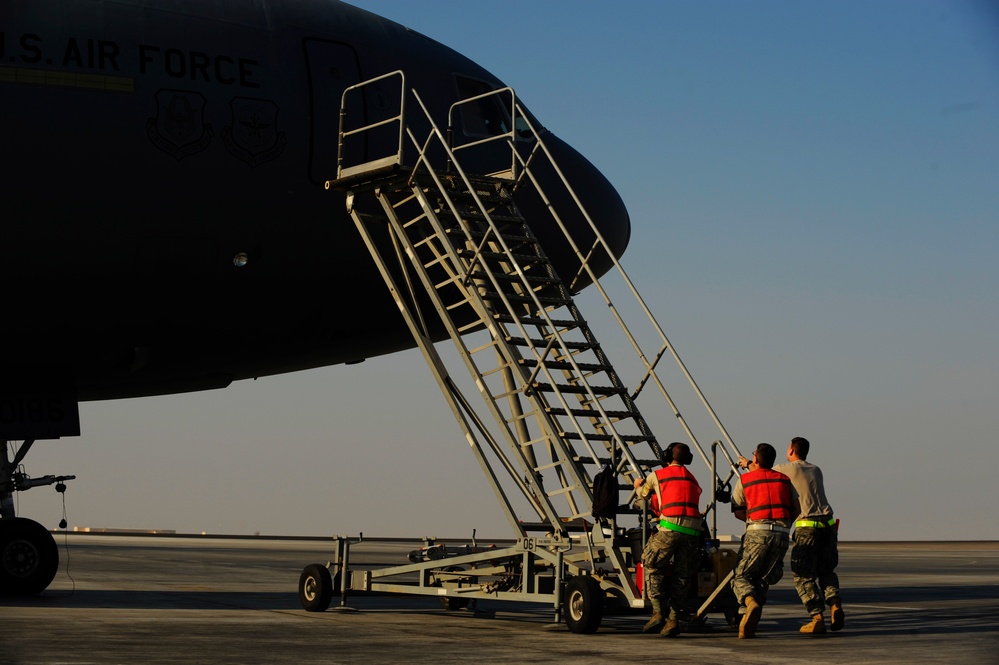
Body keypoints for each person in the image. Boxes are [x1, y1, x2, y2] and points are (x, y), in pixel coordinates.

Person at [775, 436, 844, 634]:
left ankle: (816, 617)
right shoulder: (815, 469)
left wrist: (747, 464)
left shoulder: (789, 469)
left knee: (803, 575)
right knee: (827, 571)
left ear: (791, 450)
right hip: (828, 524)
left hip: (808, 527)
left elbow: (764, 473)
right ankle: (834, 604)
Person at [633, 441, 702, 637]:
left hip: (670, 528)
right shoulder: (693, 479)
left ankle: (657, 612)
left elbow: (643, 494)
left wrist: (638, 485)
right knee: (683, 575)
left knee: (650, 563)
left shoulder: (658, 475)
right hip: (693, 532)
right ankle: (673, 619)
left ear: (667, 456)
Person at [731, 443, 798, 639]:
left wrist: (754, 523)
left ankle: (750, 603)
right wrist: (784, 526)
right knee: (761, 580)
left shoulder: (745, 480)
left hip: (757, 531)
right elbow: (796, 509)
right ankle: (746, 623)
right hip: (782, 533)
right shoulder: (785, 480)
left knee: (741, 577)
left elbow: (738, 511)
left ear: (757, 460)